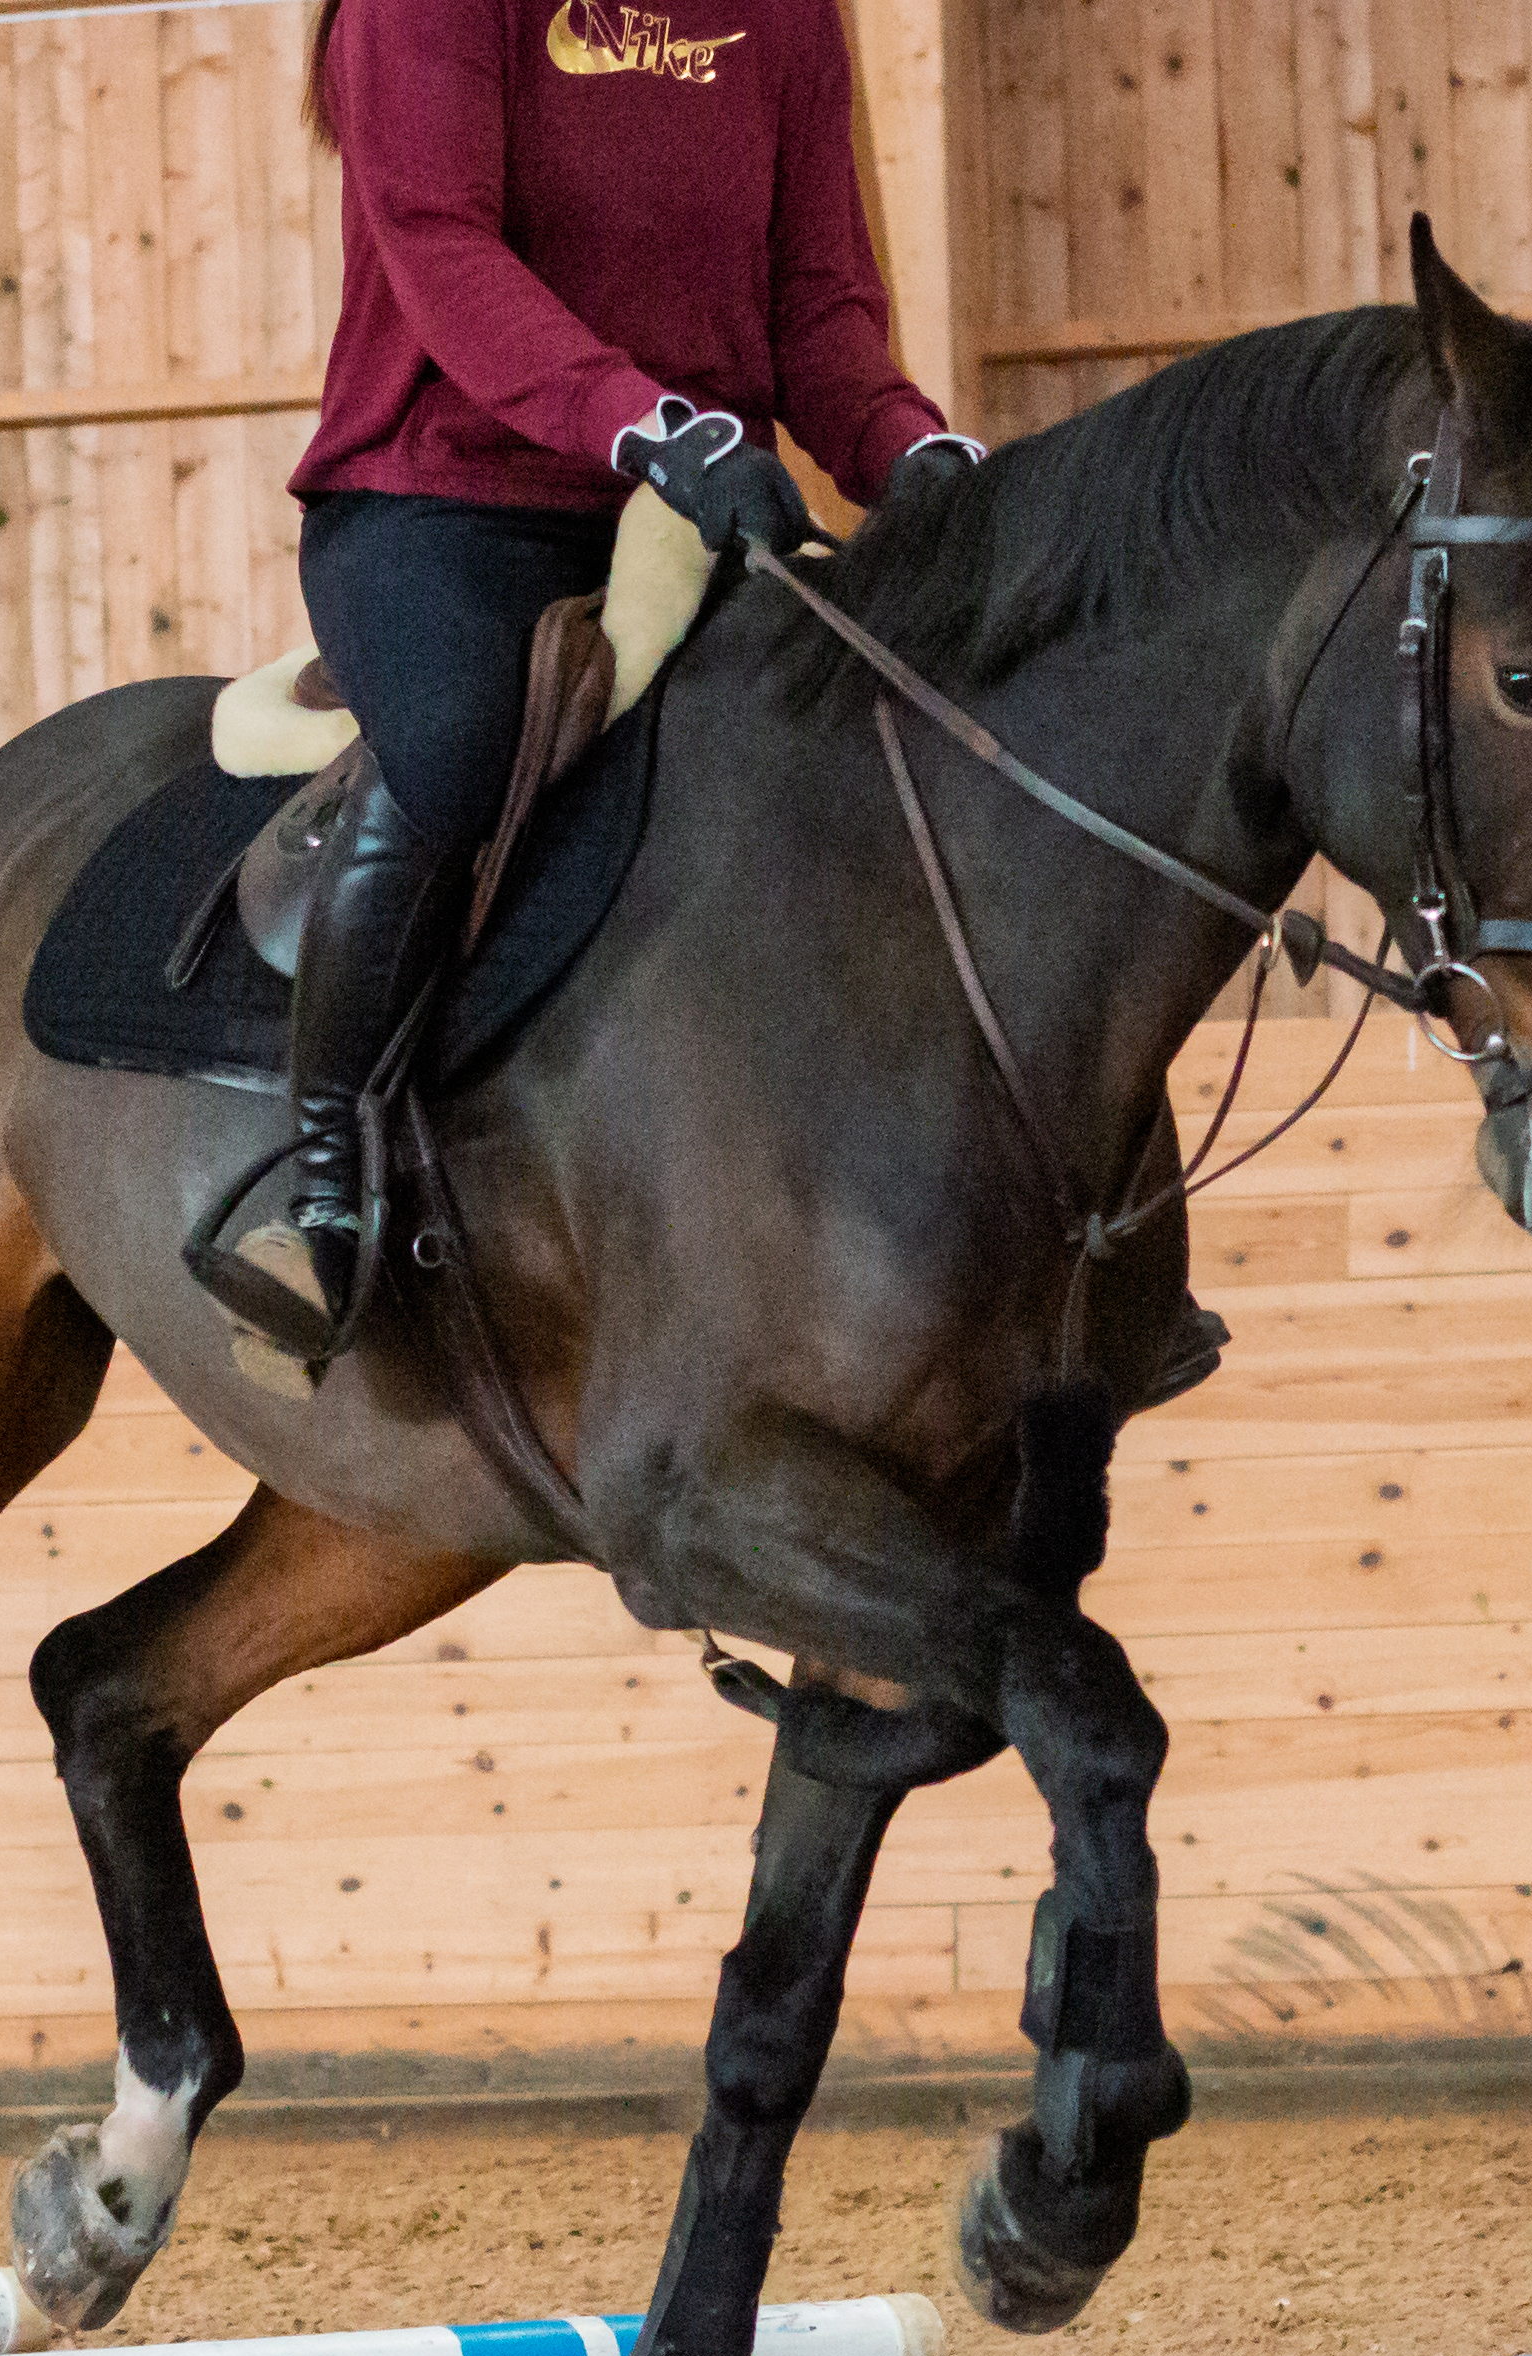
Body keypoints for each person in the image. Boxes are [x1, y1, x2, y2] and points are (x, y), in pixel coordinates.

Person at [199, 0, 983, 1363]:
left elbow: (822, 308)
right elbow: (444, 255)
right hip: (448, 497)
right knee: (456, 745)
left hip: (694, 506)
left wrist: (917, 456)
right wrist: (648, 424)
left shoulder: (785, 17)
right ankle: (317, 1193)